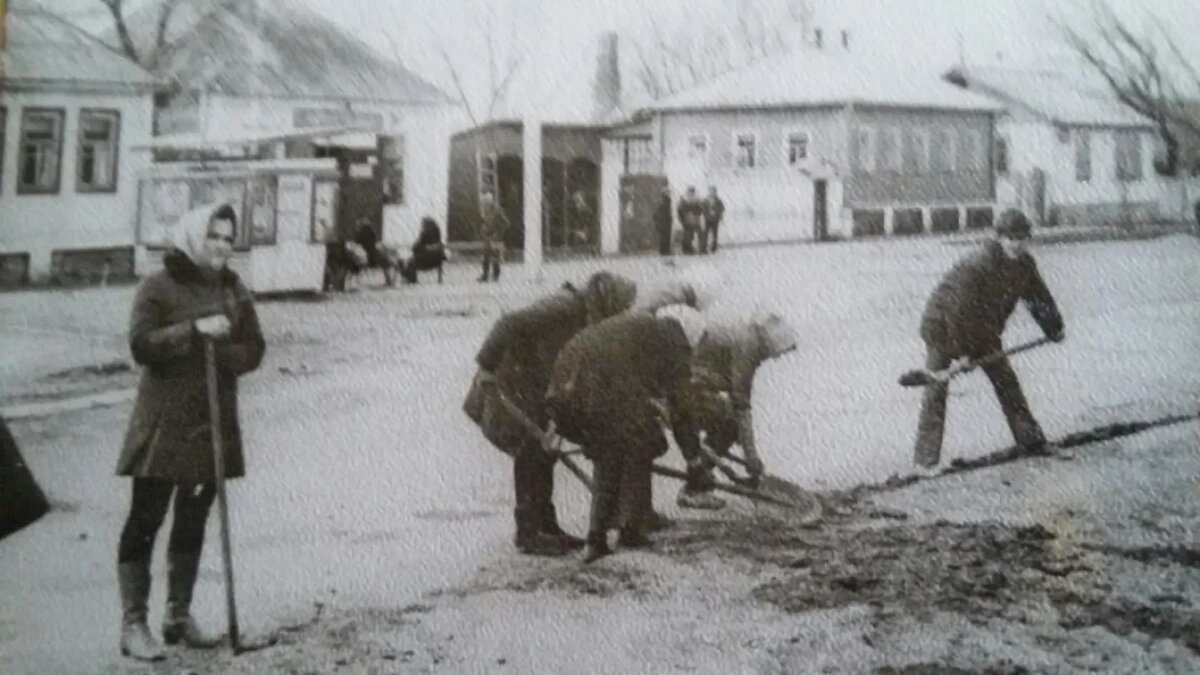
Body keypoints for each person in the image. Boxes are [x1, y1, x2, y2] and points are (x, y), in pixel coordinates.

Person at [113, 203, 266, 661]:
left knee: (194, 518)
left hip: (212, 421)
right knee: (146, 519)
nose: (221, 245)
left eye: (228, 238)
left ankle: (178, 617)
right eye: (213, 236)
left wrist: (225, 355)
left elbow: (255, 347)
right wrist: (194, 331)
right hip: (164, 422)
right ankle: (133, 624)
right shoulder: (158, 286)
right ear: (193, 237)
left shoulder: (234, 288)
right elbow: (141, 344)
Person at [465, 271, 638, 557]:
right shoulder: (565, 305)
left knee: (546, 453)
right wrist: (486, 366)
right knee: (530, 452)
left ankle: (547, 524)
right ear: (607, 300)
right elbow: (509, 322)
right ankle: (528, 533)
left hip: (533, 383)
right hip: (510, 380)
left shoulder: (583, 311)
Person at [546, 305, 706, 563]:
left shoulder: (643, 326)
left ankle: (620, 529)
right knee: (628, 448)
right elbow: (682, 409)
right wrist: (694, 461)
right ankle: (609, 534)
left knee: (624, 449)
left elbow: (634, 377)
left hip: (568, 377)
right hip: (596, 387)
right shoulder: (673, 341)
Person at [913, 209, 1065, 468]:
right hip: (943, 326)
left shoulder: (1025, 265)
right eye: (1011, 238)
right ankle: (925, 462)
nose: (1016, 244)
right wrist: (963, 353)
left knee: (1007, 381)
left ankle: (1031, 441)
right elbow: (960, 311)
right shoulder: (979, 264)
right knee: (936, 388)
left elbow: (1038, 297)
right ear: (999, 238)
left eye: (1022, 238)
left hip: (983, 330)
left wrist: (1053, 327)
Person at [675, 308, 798, 509]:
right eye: (777, 353)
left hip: (692, 383)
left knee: (728, 422)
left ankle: (698, 476)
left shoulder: (745, 335)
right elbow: (741, 402)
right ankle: (694, 487)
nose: (774, 358)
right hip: (687, 388)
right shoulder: (750, 346)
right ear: (771, 343)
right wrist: (751, 455)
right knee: (731, 426)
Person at [402, 217, 448, 284]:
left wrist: (418, 248)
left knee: (410, 262)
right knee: (411, 261)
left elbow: (416, 246)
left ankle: (411, 279)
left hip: (426, 261)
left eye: (423, 225)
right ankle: (408, 276)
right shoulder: (437, 235)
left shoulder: (425, 234)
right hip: (437, 260)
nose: (422, 227)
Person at [478, 192, 510, 283]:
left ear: (489, 202)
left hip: (496, 237)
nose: (483, 204)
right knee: (485, 257)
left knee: (495, 257)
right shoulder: (486, 210)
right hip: (487, 237)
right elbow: (487, 222)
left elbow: (506, 223)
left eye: (485, 202)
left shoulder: (497, 210)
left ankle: (496, 275)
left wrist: (498, 233)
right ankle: (485, 276)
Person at [676, 186, 705, 255]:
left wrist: (694, 212)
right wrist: (682, 219)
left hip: (695, 220)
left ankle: (701, 249)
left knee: (699, 234)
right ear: (687, 192)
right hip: (686, 220)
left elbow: (700, 210)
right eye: (690, 191)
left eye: (692, 192)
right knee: (688, 236)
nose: (691, 193)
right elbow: (680, 210)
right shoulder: (683, 200)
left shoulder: (696, 200)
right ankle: (687, 250)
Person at [702, 186, 726, 254]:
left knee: (714, 233)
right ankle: (704, 247)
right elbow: (702, 209)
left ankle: (714, 247)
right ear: (708, 192)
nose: (712, 193)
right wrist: (707, 213)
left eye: (713, 191)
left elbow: (722, 209)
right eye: (710, 191)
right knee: (705, 233)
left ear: (715, 192)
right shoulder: (705, 200)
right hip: (707, 219)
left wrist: (717, 213)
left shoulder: (718, 200)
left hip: (715, 220)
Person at [654, 187, 674, 257]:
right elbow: (661, 211)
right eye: (668, 192)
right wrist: (661, 220)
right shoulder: (665, 201)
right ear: (665, 193)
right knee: (664, 236)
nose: (669, 193)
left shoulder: (667, 200)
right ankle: (664, 251)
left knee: (666, 236)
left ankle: (665, 250)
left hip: (666, 220)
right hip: (664, 221)